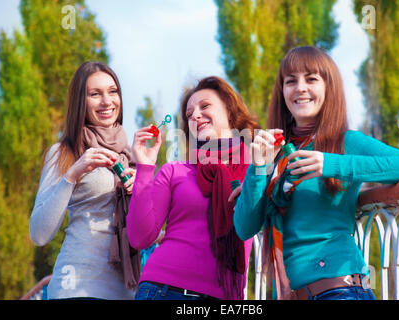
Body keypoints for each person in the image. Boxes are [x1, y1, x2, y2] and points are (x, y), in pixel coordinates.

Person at [233, 46, 399, 300]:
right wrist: (258, 169)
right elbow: (244, 228)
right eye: (290, 81)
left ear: (329, 88)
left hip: (340, 291)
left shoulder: (346, 142)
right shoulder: (275, 153)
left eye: (312, 79)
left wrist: (332, 165)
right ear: (282, 91)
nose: (300, 88)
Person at [127, 76, 260, 300]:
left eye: (205, 106)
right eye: (189, 115)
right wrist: (145, 167)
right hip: (163, 290)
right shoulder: (174, 171)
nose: (195, 115)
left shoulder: (256, 170)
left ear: (229, 110)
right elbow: (140, 238)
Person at [29, 61, 136, 300]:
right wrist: (73, 173)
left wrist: (143, 187)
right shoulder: (64, 152)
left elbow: (151, 230)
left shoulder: (134, 156)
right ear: (80, 102)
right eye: (94, 94)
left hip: (128, 292)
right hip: (77, 286)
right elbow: (38, 234)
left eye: (113, 91)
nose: (107, 101)